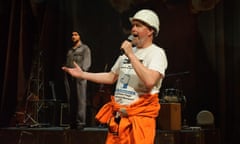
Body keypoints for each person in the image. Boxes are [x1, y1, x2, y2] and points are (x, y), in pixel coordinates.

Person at [62, 9, 167, 143]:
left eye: (138, 25)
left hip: (139, 121)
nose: (133, 29)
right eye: (133, 25)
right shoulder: (128, 53)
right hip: (119, 119)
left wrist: (131, 55)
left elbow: (150, 81)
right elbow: (111, 77)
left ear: (151, 30)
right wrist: (83, 74)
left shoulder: (156, 53)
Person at [63, 30, 91, 129]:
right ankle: (72, 122)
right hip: (69, 78)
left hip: (80, 77)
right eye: (72, 34)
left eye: (75, 34)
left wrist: (81, 72)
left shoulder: (84, 49)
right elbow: (68, 63)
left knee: (81, 99)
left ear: (80, 36)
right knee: (71, 99)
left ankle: (80, 123)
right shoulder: (70, 50)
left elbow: (87, 63)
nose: (73, 36)